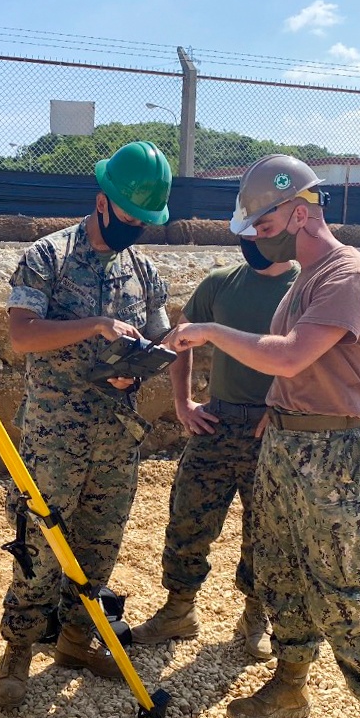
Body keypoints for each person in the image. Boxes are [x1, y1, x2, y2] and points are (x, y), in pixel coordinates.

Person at [163, 154, 360, 718]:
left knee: (341, 588)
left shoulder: (347, 276)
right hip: (285, 442)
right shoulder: (307, 279)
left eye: (264, 224)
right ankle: (289, 683)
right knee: (279, 569)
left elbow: (294, 354)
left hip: (332, 454)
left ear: (299, 213)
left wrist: (209, 331)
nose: (256, 237)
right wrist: (277, 411)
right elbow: (296, 371)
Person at [0, 140, 173, 708]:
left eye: (144, 221)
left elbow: (159, 337)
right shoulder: (47, 257)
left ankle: (76, 638)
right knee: (39, 544)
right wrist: (95, 325)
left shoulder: (144, 271)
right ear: (101, 202)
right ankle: (18, 648)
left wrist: (136, 368)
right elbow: (22, 334)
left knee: (99, 543)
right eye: (129, 216)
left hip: (116, 436)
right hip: (55, 434)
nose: (135, 228)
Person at [130, 245, 298, 660]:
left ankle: (255, 616)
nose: (255, 239)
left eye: (264, 230)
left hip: (270, 430)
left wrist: (283, 407)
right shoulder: (221, 282)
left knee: (266, 532)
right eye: (250, 230)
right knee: (188, 518)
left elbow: (314, 355)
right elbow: (179, 340)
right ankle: (179, 610)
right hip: (217, 422)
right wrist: (183, 404)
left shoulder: (305, 287)